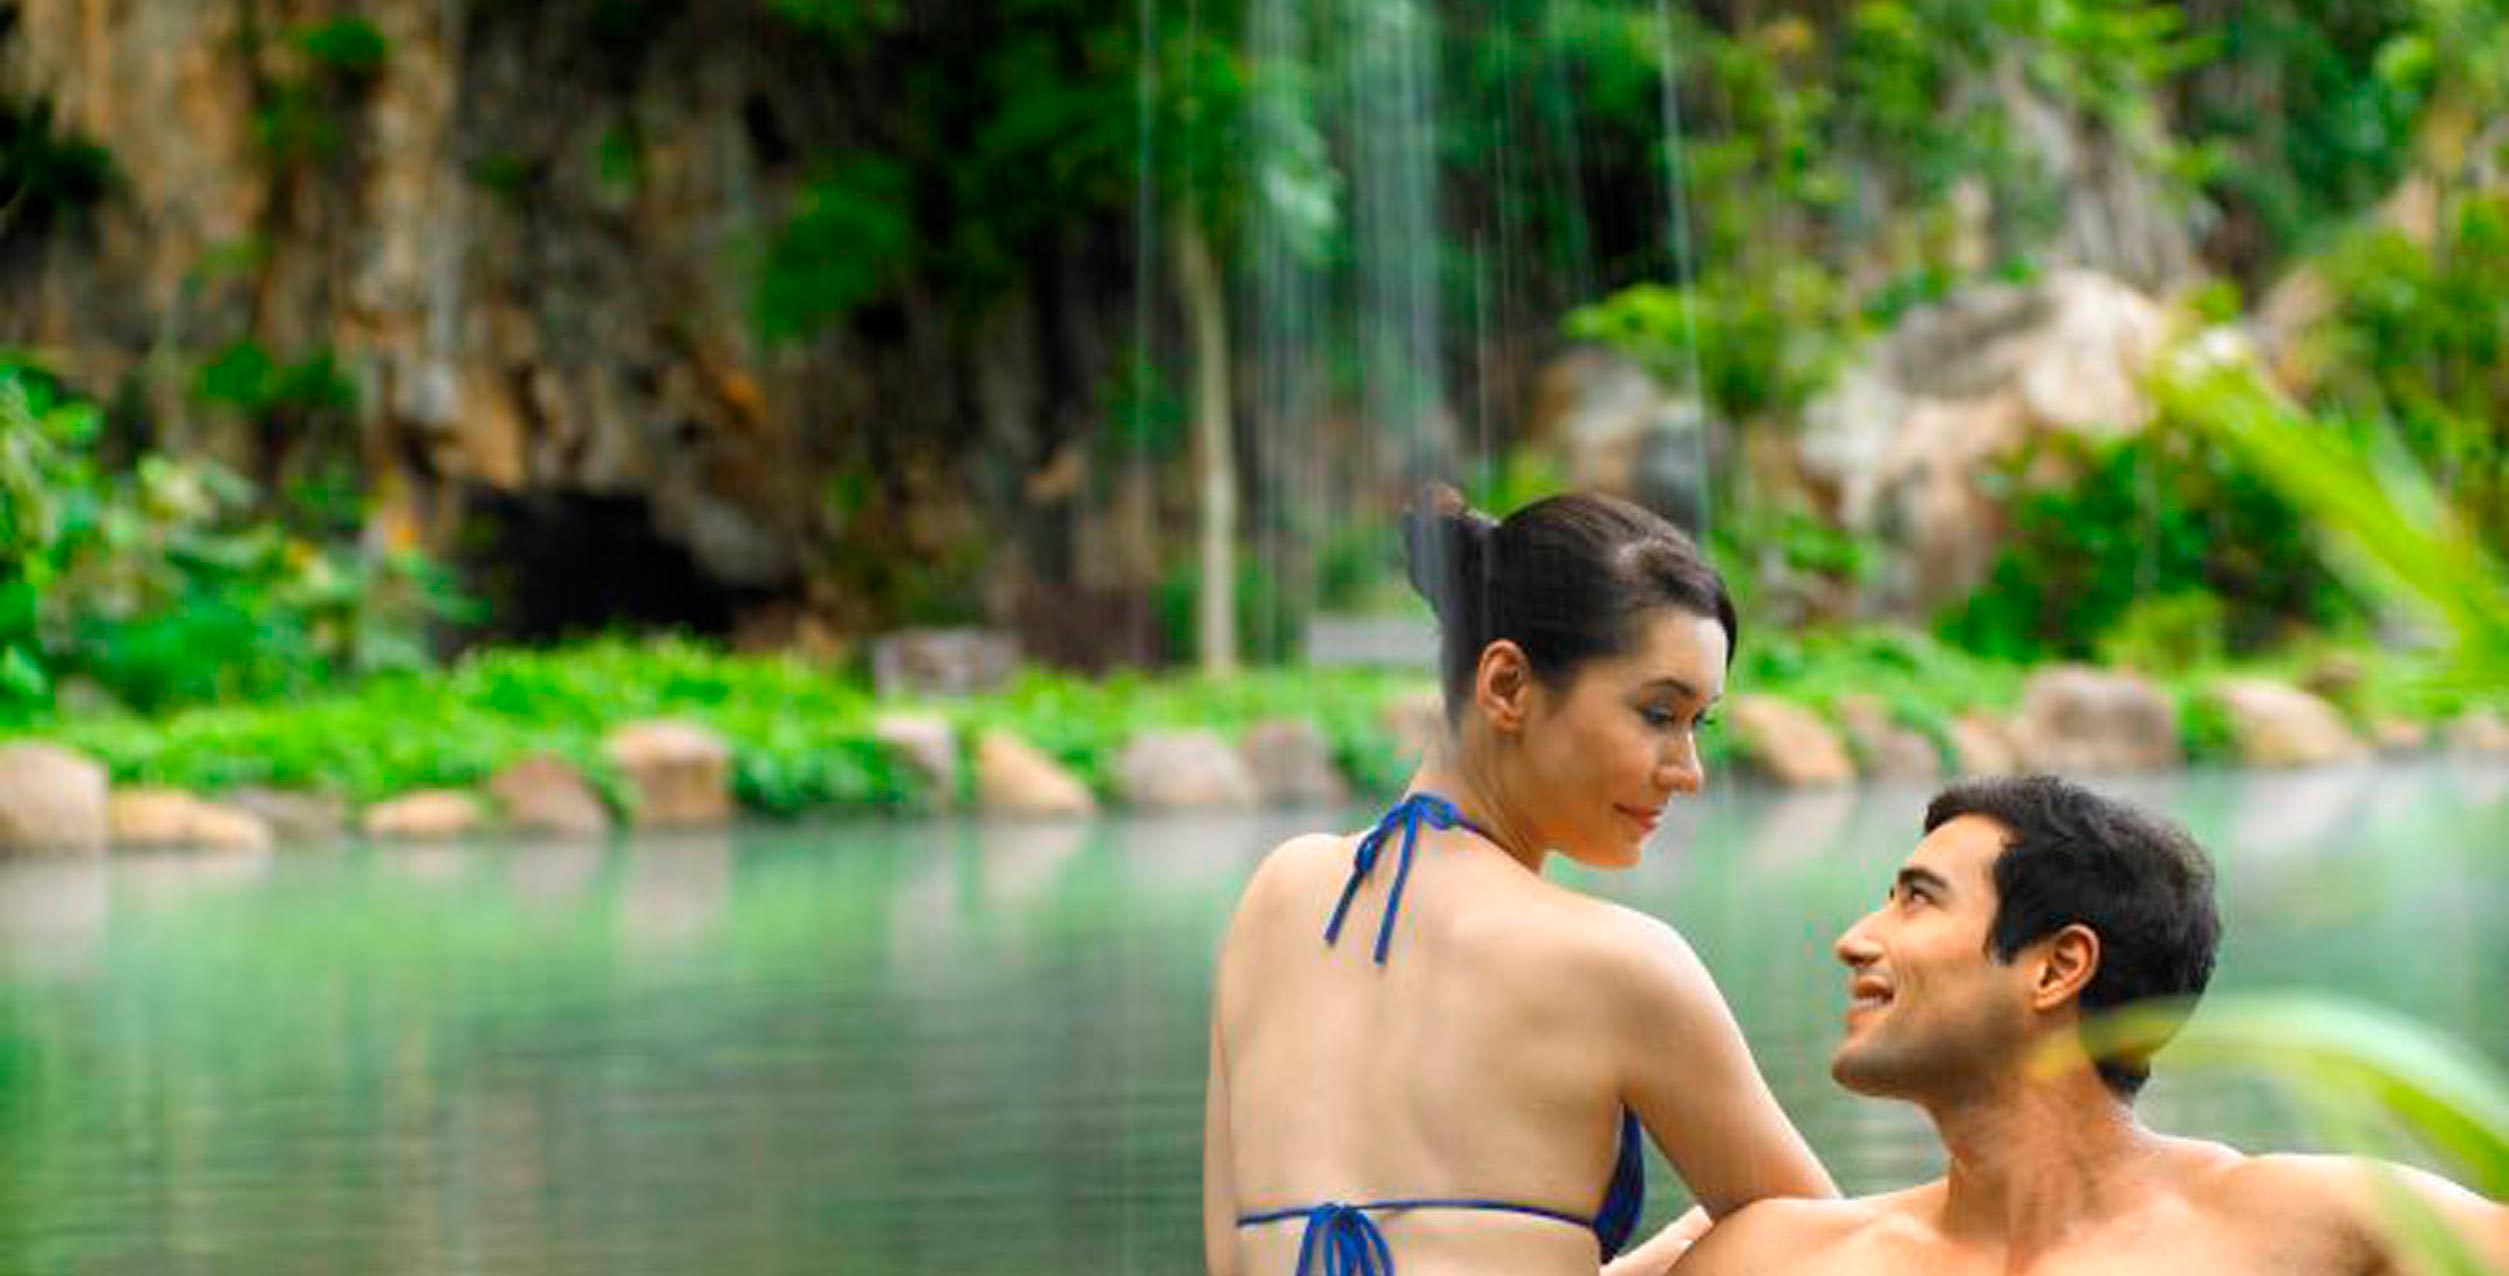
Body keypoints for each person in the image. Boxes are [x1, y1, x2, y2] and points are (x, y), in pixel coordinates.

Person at [1203, 487, 1835, 1276]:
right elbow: (1828, 1250)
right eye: (1657, 714)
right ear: (1504, 685)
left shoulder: (1277, 897)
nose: (1688, 772)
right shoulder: (1617, 962)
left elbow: (1230, 1261)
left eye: (1696, 723)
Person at [1660, 775, 2509, 1276]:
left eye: (1916, 899)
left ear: (2058, 966)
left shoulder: (2308, 1227)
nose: (1855, 939)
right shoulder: (1779, 1257)